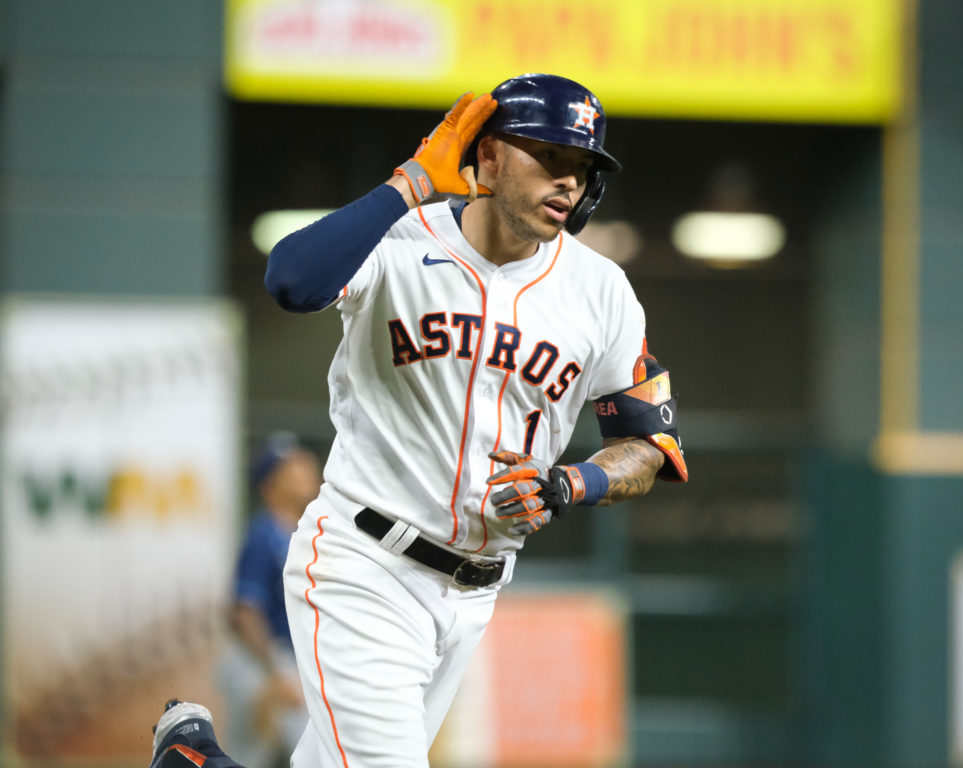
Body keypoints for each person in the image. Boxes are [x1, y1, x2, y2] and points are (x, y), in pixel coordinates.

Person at [149, 72, 686, 768]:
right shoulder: (398, 238)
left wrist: (569, 484)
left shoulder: (602, 291)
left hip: (474, 591)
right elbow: (290, 280)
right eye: (549, 157)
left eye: (582, 167)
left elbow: (650, 445)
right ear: (486, 155)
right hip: (362, 564)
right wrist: (409, 182)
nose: (569, 182)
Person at [216, 432, 321, 768]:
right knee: (251, 759)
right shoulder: (264, 534)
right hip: (262, 660)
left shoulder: (306, 534)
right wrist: (273, 674)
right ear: (271, 483)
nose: (306, 467)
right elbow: (244, 613)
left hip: (289, 661)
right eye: (293, 465)